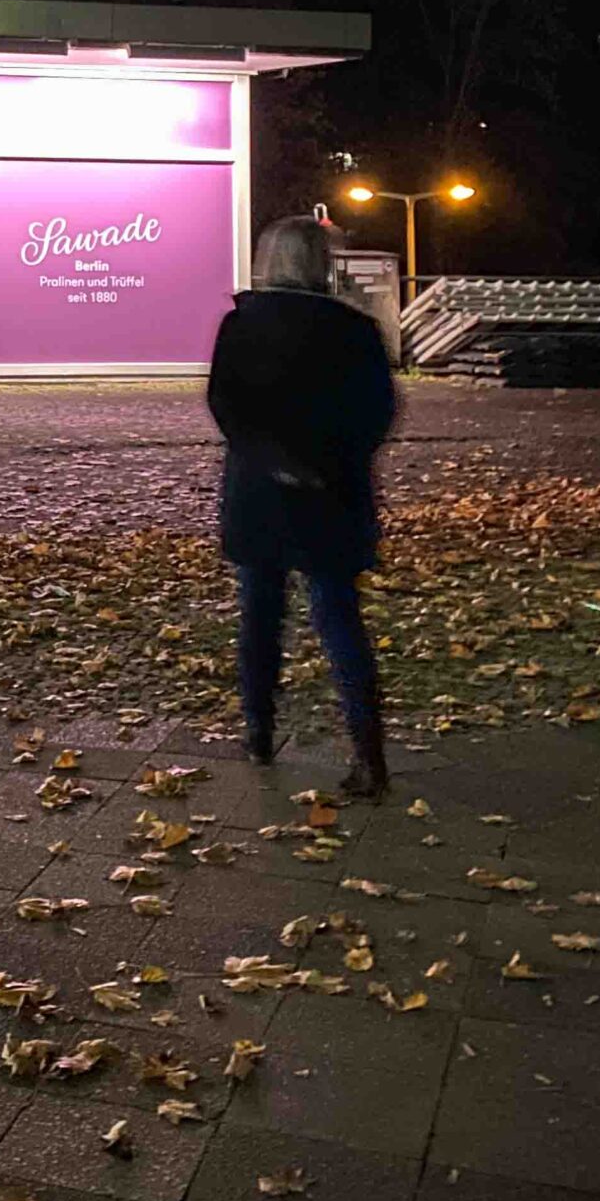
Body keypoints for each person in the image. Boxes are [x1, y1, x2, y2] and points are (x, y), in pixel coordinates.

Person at [207, 215, 397, 796]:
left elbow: (226, 405)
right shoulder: (354, 330)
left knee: (260, 617)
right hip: (332, 493)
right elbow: (378, 412)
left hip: (259, 491)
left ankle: (259, 733)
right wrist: (326, 464)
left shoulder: (242, 324)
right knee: (339, 618)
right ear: (322, 262)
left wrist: (273, 460)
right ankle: (368, 753)